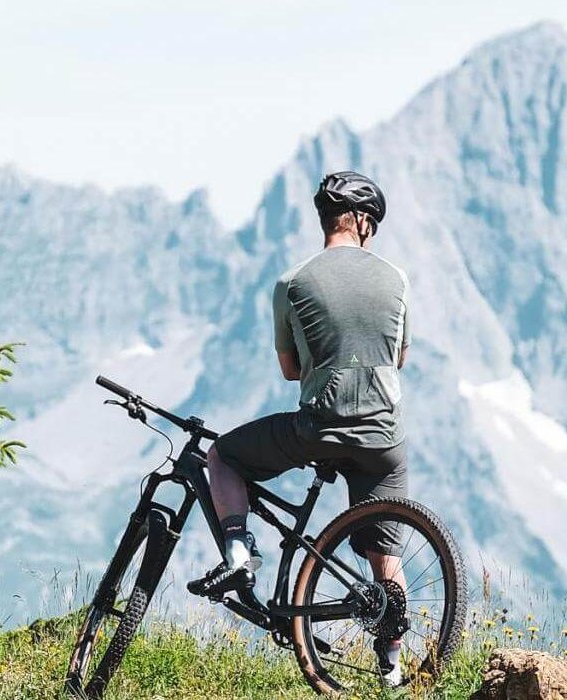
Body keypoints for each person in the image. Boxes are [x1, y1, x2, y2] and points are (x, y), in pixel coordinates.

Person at [189, 170, 413, 684]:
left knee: (223, 455)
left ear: (327, 220)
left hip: (320, 428)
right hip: (383, 437)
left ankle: (240, 553)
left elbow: (290, 370)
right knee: (386, 550)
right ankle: (392, 669)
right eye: (372, 223)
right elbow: (399, 357)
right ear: (360, 221)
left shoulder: (291, 283)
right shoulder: (397, 278)